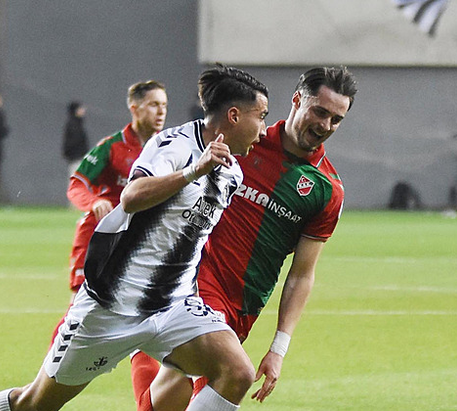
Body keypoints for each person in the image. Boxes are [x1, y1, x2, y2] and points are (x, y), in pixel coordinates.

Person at [0, 64, 269, 411]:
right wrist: (194, 171)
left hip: (174, 308)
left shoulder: (233, 173)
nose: (264, 129)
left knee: (237, 372)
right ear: (234, 116)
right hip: (113, 307)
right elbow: (131, 196)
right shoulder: (173, 144)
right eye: (261, 116)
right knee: (34, 403)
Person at [128, 66, 356, 411]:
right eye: (320, 112)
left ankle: (138, 352)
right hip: (195, 282)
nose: (325, 125)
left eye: (336, 120)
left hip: (243, 308)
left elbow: (302, 274)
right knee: (209, 375)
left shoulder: (327, 190)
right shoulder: (245, 141)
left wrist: (278, 349)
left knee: (179, 393)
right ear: (297, 100)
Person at [48, 80, 168, 343]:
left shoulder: (168, 149)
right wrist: (94, 202)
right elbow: (77, 184)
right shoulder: (112, 146)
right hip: (99, 238)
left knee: (146, 319)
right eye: (153, 105)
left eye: (164, 105)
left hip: (141, 243)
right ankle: (50, 369)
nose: (161, 111)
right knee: (79, 311)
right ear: (134, 108)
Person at [62, 101, 89, 178]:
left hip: (76, 158)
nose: (83, 110)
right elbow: (75, 141)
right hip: (77, 159)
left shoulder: (75, 124)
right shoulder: (74, 125)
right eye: (80, 108)